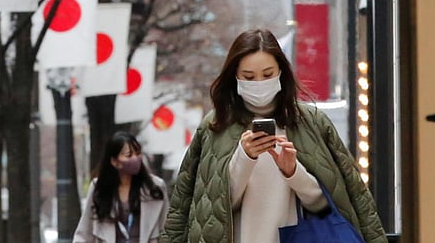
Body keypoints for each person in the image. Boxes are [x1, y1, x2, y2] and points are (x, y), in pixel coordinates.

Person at [160, 28, 387, 243]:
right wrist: (245, 158)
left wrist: (293, 171)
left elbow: (337, 202)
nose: (259, 84)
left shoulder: (311, 122)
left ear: (281, 72)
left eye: (267, 74)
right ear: (235, 78)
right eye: (248, 77)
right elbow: (202, 208)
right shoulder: (215, 126)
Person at [74, 131, 170, 242]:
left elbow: (168, 230)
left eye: (138, 153)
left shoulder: (155, 188)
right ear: (115, 162)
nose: (135, 158)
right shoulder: (99, 189)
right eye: (129, 155)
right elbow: (84, 233)